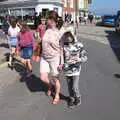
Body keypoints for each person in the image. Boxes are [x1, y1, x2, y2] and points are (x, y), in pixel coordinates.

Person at [58, 32, 87, 108]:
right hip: (67, 70)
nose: (68, 38)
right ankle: (71, 99)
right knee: (69, 87)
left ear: (73, 36)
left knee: (74, 87)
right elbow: (62, 58)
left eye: (69, 36)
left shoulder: (79, 45)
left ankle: (78, 97)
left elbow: (85, 58)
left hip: (76, 70)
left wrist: (78, 59)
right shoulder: (64, 47)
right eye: (66, 37)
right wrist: (61, 65)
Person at [40, 11, 63, 105]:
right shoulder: (46, 28)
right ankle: (50, 86)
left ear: (52, 20)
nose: (45, 20)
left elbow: (61, 49)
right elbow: (42, 41)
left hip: (54, 58)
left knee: (55, 78)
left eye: (47, 19)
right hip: (44, 57)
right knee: (43, 77)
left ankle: (57, 95)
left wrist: (62, 62)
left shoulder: (60, 32)